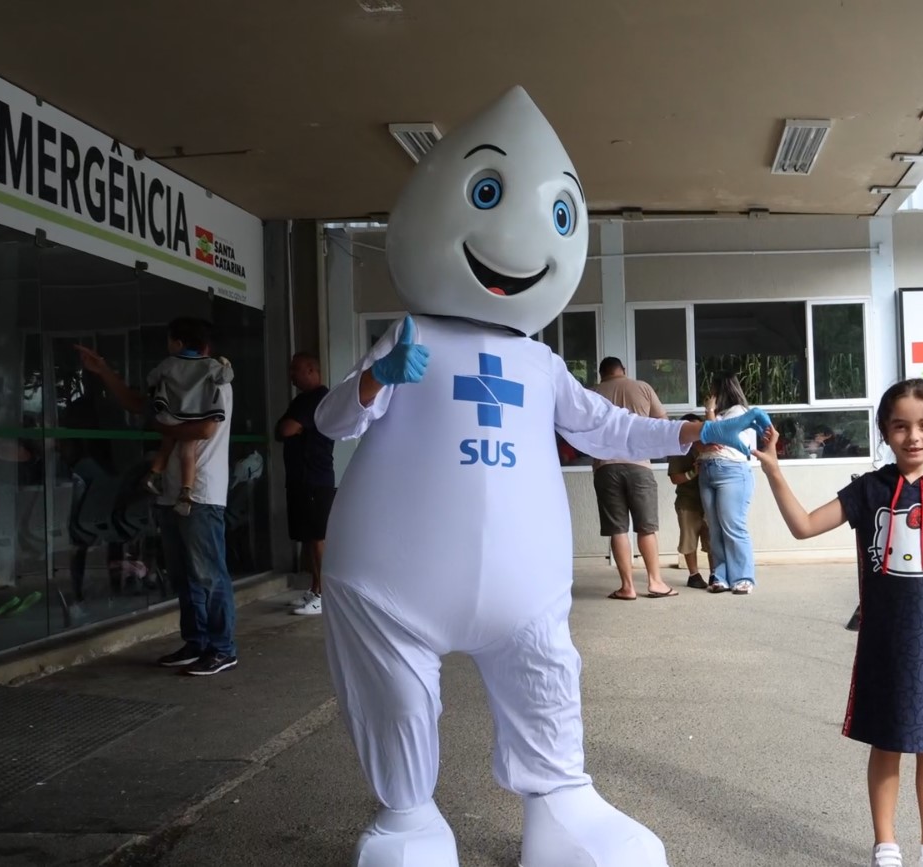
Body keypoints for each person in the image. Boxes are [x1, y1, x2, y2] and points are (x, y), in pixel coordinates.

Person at [308, 86, 770, 867]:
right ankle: (409, 816)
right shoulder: (410, 334)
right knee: (395, 695)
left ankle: (559, 804)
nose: (520, 242)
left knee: (546, 674)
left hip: (523, 587)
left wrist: (694, 430)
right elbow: (333, 421)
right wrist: (378, 377)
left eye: (559, 215)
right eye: (485, 195)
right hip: (394, 579)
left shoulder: (538, 361)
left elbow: (607, 429)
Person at [754, 378, 923, 867]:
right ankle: (886, 844)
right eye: (900, 426)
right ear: (883, 431)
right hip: (883, 645)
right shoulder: (868, 490)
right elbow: (803, 526)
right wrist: (773, 469)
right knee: (886, 745)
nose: (913, 436)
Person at [75, 319, 239, 677]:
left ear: (179, 344)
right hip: (170, 492)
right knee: (183, 575)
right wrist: (103, 371)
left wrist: (162, 426)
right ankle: (196, 642)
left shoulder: (213, 379)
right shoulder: (174, 380)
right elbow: (139, 404)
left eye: (171, 342)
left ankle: (222, 648)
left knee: (209, 575)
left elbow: (204, 428)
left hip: (202, 494)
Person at [592, 357, 678, 600]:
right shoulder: (642, 387)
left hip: (606, 467)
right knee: (646, 528)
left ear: (601, 373)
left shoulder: (592, 393)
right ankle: (655, 582)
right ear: (623, 370)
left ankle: (627, 587)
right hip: (639, 464)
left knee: (617, 529)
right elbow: (663, 423)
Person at [143, 321, 234, 516]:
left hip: (170, 416)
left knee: (166, 444)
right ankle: (186, 491)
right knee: (188, 452)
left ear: (178, 344)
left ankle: (153, 473)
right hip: (193, 416)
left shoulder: (169, 364)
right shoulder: (209, 366)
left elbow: (151, 379)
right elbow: (226, 375)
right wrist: (226, 364)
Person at [275, 351, 336, 616]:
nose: (291, 375)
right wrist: (291, 426)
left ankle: (324, 595)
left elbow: (287, 428)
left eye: (295, 369)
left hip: (315, 478)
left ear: (311, 370)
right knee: (310, 537)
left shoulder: (320, 398)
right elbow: (281, 429)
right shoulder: (301, 400)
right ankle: (315, 588)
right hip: (299, 479)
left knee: (318, 537)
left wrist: (293, 426)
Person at [699, 372, 759, 595]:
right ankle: (721, 576)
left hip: (732, 471)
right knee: (714, 528)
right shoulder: (721, 414)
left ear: (722, 389)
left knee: (733, 526)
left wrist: (709, 411)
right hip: (708, 470)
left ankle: (743, 578)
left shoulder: (738, 412)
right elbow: (705, 439)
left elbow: (714, 435)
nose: (710, 393)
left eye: (713, 388)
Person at [666, 412, 713, 589]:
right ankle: (694, 575)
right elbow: (674, 478)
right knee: (689, 539)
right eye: (691, 427)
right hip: (688, 501)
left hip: (710, 501)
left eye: (698, 427)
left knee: (713, 540)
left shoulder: (711, 445)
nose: (695, 431)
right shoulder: (679, 450)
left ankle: (715, 574)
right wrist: (693, 472)